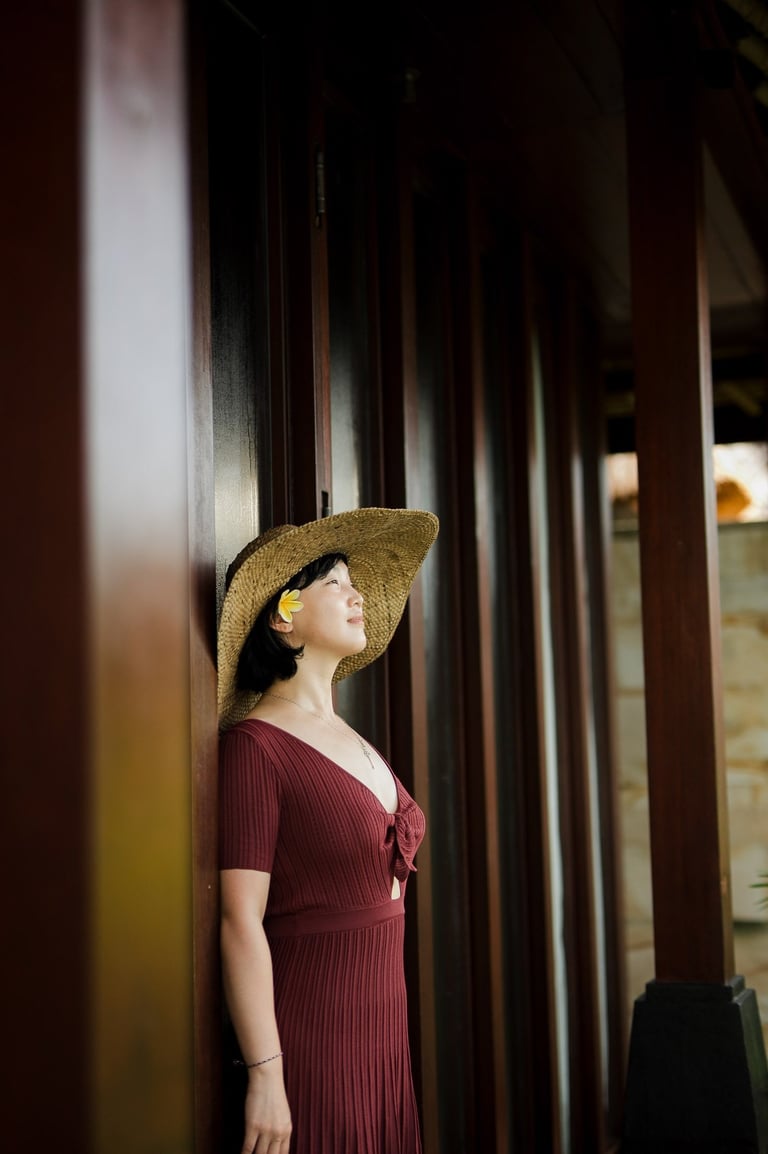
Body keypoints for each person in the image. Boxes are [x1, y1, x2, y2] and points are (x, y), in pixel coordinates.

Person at [217, 506, 439, 1154]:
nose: (356, 593)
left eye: (352, 581)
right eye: (334, 583)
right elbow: (238, 920)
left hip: (384, 1038)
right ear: (284, 616)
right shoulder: (254, 749)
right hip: (313, 1043)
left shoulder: (348, 735)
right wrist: (266, 1074)